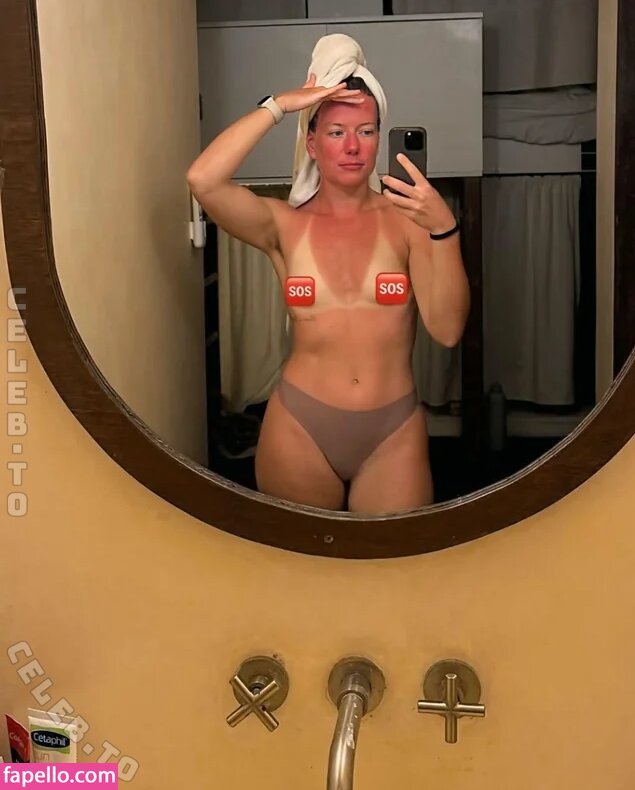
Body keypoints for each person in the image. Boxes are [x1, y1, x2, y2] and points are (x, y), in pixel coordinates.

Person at [187, 72, 470, 514]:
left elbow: (448, 330)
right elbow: (203, 179)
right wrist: (279, 106)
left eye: (366, 132)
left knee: (390, 556)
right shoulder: (284, 224)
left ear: (379, 141)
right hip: (300, 425)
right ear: (313, 145)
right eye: (336, 133)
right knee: (301, 557)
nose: (353, 147)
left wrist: (444, 228)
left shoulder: (410, 223)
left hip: (393, 430)